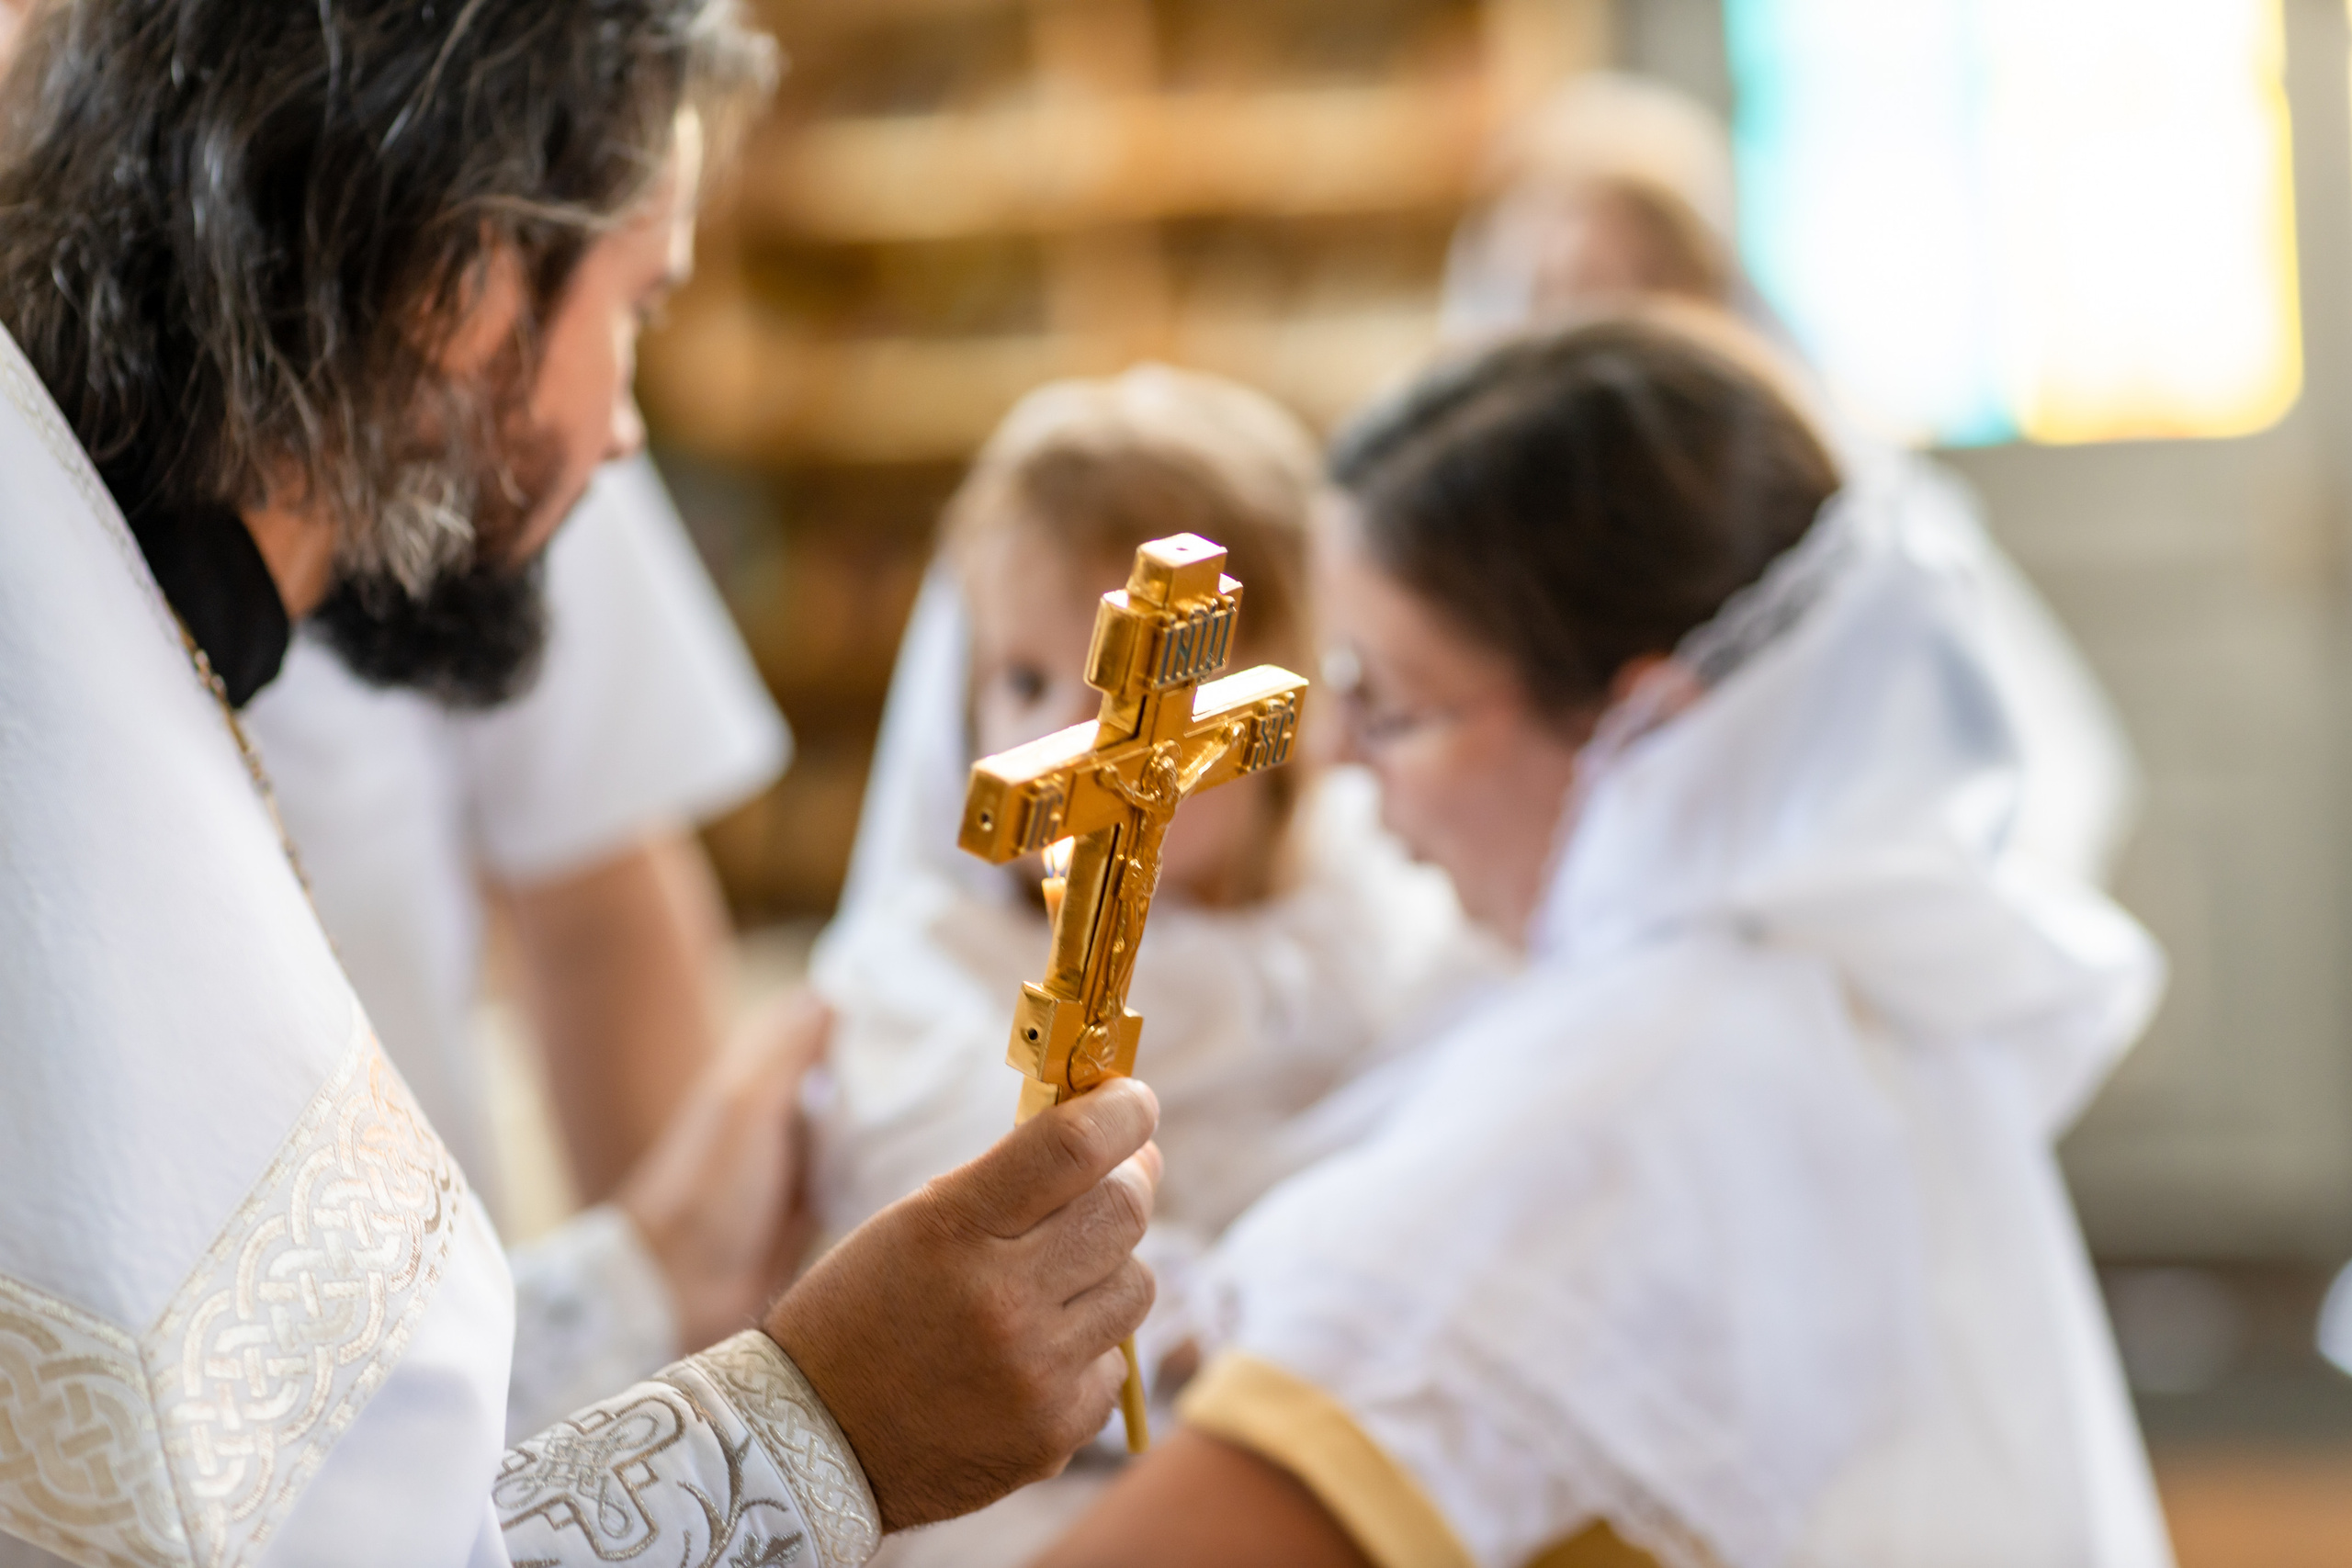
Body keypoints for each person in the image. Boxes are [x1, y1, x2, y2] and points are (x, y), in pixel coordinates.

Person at [0, 3, 1160, 1563]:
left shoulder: (89, 619)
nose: (621, 433)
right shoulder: (64, 774)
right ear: (460, 280)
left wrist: (648, 1268)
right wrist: (824, 1426)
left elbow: (324, 1476)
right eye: (636, 307)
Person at [1032, 317, 2171, 1567]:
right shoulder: (1814, 974)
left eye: (1392, 701)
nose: (1339, 753)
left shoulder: (1626, 1097)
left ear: (1645, 724)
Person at [808, 366, 1505, 1563]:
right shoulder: (933, 972)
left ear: (1288, 701)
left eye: (1143, 682)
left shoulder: (1383, 927)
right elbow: (947, 1217)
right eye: (1023, 678)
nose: (1077, 737)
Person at [1442, 72, 2138, 890]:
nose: (1595, 333)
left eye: (1636, 284)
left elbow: (2043, 774)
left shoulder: (1839, 512)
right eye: (1555, 290)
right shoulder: (1465, 541)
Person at [244, 449, 805, 1438]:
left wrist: (694, 1427)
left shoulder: (514, 434)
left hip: (438, 1374)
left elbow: (597, 900)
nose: (626, 431)